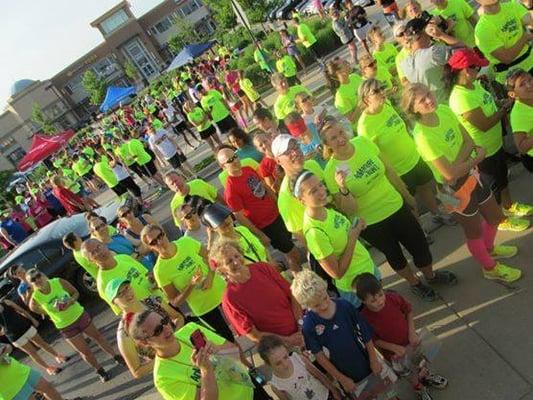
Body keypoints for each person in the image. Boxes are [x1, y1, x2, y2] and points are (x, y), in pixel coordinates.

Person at [319, 117, 457, 301]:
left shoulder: (363, 142)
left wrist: (407, 195)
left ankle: (431, 276)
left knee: (420, 245)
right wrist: (343, 188)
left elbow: (389, 170)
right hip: (372, 223)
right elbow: (350, 210)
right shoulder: (331, 171)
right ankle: (415, 283)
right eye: (333, 138)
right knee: (395, 255)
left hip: (395, 205)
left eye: (341, 133)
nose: (340, 139)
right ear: (327, 145)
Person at [401, 83, 523, 283]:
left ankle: (490, 249)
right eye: (422, 100)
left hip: (472, 175)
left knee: (495, 217)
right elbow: (449, 176)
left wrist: (460, 164)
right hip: (452, 191)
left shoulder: (445, 110)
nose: (430, 100)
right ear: (413, 108)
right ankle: (489, 268)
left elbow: (467, 141)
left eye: (429, 94)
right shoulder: (423, 137)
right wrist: (475, 158)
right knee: (473, 230)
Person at [446, 49, 533, 226]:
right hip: (482, 151)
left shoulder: (473, 85)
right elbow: (483, 124)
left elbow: (487, 106)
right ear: (465, 70)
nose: (479, 69)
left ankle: (509, 206)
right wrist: (504, 110)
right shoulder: (460, 97)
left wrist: (500, 104)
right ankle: (500, 220)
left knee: (502, 178)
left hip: (495, 145)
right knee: (492, 188)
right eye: (476, 66)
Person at [358, 79, 455, 226]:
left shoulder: (387, 105)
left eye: (381, 88)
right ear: (366, 99)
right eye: (376, 91)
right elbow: (374, 156)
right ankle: (420, 230)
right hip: (398, 171)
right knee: (410, 202)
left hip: (415, 158)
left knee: (428, 188)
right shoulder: (364, 126)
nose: (382, 92)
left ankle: (438, 214)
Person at [291, 270, 398, 399]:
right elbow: (319, 356)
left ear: (326, 289)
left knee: (389, 393)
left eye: (325, 298)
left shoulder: (344, 306)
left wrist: (374, 359)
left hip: (369, 363)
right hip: (348, 376)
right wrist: (341, 379)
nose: (324, 305)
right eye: (317, 305)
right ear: (306, 305)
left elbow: (365, 333)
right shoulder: (309, 325)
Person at [127, 310, 270, 400]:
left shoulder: (190, 329)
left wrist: (216, 349)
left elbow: (234, 352)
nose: (166, 329)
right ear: (145, 342)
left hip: (250, 389)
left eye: (164, 321)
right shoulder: (163, 378)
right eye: (158, 330)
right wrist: (206, 371)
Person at [293, 170, 379, 306]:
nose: (322, 191)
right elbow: (337, 273)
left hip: (368, 268)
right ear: (301, 199)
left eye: (321, 185)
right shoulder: (314, 232)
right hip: (356, 287)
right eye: (313, 191)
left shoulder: (326, 209)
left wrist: (356, 227)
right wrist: (352, 237)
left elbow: (343, 234)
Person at [357, 273, 449, 400]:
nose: (379, 301)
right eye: (373, 300)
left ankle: (425, 376)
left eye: (380, 295)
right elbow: (373, 340)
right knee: (408, 372)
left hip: (412, 341)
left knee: (421, 361)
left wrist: (412, 331)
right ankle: (418, 387)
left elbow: (408, 310)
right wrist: (393, 347)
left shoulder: (393, 298)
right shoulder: (364, 318)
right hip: (394, 354)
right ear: (363, 301)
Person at [140, 224, 233, 341]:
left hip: (223, 292)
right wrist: (191, 285)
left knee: (247, 323)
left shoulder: (186, 242)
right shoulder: (159, 271)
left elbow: (210, 258)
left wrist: (210, 277)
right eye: (153, 242)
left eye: (160, 236)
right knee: (228, 340)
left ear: (164, 233)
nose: (159, 242)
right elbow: (175, 302)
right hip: (204, 308)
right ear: (150, 247)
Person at [216, 147, 303, 271]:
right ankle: (299, 278)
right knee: (293, 253)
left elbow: (264, 187)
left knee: (291, 248)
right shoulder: (231, 189)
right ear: (223, 166)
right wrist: (260, 234)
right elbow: (240, 217)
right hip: (267, 225)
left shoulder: (247, 169)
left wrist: (279, 204)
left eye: (235, 156)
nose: (235, 161)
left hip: (278, 214)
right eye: (229, 160)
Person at [27, 270, 121, 382]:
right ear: (31, 284)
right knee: (84, 351)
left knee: (98, 337)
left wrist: (70, 301)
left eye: (38, 276)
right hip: (65, 325)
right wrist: (48, 312)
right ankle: (100, 371)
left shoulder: (57, 282)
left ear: (43, 275)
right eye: (33, 279)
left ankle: (116, 356)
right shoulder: (36, 296)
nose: (37, 280)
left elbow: (75, 293)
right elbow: (32, 307)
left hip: (79, 315)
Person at [209, 240, 303, 347]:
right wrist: (288, 340)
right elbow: (254, 335)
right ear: (221, 269)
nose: (236, 262)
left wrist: (301, 326)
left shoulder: (263, 268)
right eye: (229, 261)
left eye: (236, 256)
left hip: (302, 328)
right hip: (278, 347)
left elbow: (293, 295)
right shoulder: (229, 299)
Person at [105, 278, 184, 379]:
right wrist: (164, 355)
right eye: (120, 294)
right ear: (114, 303)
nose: (127, 293)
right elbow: (137, 371)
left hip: (184, 348)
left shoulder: (153, 301)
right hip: (169, 370)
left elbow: (178, 317)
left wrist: (175, 336)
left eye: (127, 288)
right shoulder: (124, 334)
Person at [81, 238, 158, 313]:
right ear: (90, 260)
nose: (99, 252)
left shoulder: (124, 257)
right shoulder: (103, 283)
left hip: (161, 300)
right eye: (93, 253)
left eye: (99, 247)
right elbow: (121, 310)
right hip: (148, 313)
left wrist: (153, 280)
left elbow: (146, 275)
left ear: (104, 245)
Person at [257, 335, 342, 400]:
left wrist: (334, 390)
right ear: (268, 364)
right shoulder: (276, 386)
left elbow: (319, 375)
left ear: (287, 350)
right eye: (278, 363)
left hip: (326, 395)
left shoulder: (298, 359)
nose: (285, 364)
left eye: (286, 357)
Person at [400, 16, 462, 104]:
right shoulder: (433, 53)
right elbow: (463, 49)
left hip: (434, 106)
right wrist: (441, 35)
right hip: (453, 100)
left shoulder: (404, 64)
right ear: (424, 32)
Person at [0, 299, 67, 376]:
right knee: (32, 353)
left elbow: (21, 310)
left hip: (26, 326)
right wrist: (3, 331)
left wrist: (32, 319)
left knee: (42, 343)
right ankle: (49, 368)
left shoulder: (6, 302)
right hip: (15, 336)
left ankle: (58, 356)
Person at [474, 0, 533, 84]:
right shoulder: (482, 29)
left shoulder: (513, 5)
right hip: (514, 78)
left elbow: (530, 22)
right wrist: (525, 37)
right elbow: (507, 58)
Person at [201, 203, 271, 264]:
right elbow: (211, 263)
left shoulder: (242, 229)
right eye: (219, 221)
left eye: (225, 216)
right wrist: (210, 239)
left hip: (268, 268)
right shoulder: (221, 248)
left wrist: (271, 262)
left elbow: (262, 248)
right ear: (212, 228)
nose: (225, 222)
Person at [507, 69, 533, 172]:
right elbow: (521, 147)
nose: (529, 85)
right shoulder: (518, 115)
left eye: (530, 80)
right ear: (513, 94)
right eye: (522, 84)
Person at [327, 56, 363, 131]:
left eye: (346, 61)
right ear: (338, 72)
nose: (348, 64)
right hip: (363, 126)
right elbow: (351, 119)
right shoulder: (340, 95)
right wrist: (363, 102)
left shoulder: (354, 77)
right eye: (344, 63)